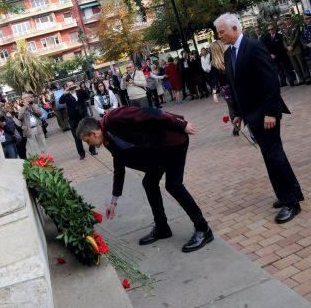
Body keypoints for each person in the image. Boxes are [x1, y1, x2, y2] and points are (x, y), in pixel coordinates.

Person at [76, 108, 213, 253]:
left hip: (173, 142)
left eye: (87, 141)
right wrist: (114, 200)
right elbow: (119, 164)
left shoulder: (113, 118)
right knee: (149, 183)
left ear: (93, 133)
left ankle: (203, 229)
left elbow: (149, 113)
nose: (89, 145)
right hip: (158, 150)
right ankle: (162, 228)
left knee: (174, 185)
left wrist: (181, 123)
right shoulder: (107, 140)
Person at [214, 13, 304, 224]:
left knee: (274, 155)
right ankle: (288, 194)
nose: (220, 37)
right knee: (270, 155)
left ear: (235, 28)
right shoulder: (229, 54)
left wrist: (271, 112)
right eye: (218, 33)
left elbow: (270, 80)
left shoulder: (253, 46)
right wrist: (236, 114)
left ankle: (291, 202)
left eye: (222, 32)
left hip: (266, 113)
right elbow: (235, 87)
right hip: (251, 114)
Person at [59, 81, 98, 160]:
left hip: (84, 117)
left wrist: (80, 89)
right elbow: (60, 102)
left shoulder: (80, 91)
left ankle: (92, 150)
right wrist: (64, 93)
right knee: (77, 138)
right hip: (73, 119)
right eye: (69, 86)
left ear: (75, 84)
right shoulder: (66, 95)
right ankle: (81, 153)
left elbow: (87, 97)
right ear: (66, 86)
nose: (71, 87)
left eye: (72, 85)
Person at [209, 40, 240, 136]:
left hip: (225, 88)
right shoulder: (230, 57)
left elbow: (214, 80)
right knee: (241, 104)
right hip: (235, 85)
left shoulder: (214, 63)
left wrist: (214, 94)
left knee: (231, 108)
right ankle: (248, 127)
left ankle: (236, 128)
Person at [282, 16, 311, 85]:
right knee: (295, 66)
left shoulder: (296, 26)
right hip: (290, 51)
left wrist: (292, 45)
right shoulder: (284, 29)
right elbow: (283, 40)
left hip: (296, 48)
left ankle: (307, 77)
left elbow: (296, 36)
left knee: (302, 64)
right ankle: (301, 79)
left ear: (290, 19)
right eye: (285, 20)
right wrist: (287, 47)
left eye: (287, 19)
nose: (286, 21)